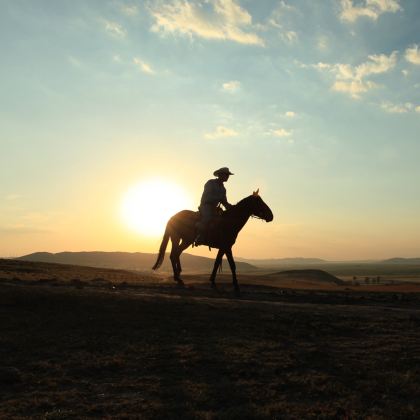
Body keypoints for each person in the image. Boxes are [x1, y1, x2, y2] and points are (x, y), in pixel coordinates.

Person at [195, 167, 234, 245]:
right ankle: (199, 236)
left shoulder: (223, 189)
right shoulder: (210, 183)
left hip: (214, 208)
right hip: (206, 205)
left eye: (228, 175)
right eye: (226, 175)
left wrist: (231, 207)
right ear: (220, 175)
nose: (228, 177)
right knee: (207, 218)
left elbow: (224, 202)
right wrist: (219, 198)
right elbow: (207, 196)